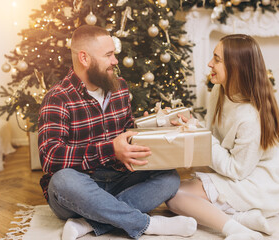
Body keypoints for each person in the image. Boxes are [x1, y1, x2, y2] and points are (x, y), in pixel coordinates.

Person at [38, 25, 197, 240]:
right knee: (62, 181)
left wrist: (159, 125)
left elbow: (126, 131)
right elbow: (50, 157)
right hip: (81, 188)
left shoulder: (119, 87)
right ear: (84, 58)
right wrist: (111, 149)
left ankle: (90, 222)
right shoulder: (58, 98)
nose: (115, 61)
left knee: (169, 177)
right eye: (108, 55)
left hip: (117, 178)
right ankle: (146, 224)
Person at [166, 34, 279, 240]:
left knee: (172, 196)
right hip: (239, 174)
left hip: (257, 185)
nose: (209, 64)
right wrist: (190, 124)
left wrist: (199, 134)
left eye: (217, 59)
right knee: (169, 193)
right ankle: (242, 218)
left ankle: (236, 229)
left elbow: (236, 170)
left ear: (236, 67)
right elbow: (211, 134)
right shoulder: (219, 91)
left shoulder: (251, 117)